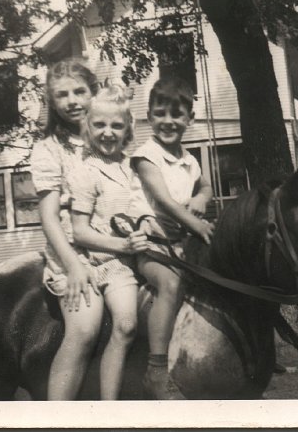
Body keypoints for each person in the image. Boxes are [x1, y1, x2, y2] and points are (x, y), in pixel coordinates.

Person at [129, 77, 214, 399]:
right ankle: (156, 368)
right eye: (160, 113)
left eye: (177, 115)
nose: (168, 121)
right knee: (170, 285)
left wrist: (202, 199)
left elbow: (204, 186)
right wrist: (196, 223)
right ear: (149, 117)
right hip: (150, 245)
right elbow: (163, 200)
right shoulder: (146, 156)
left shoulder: (190, 159)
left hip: (179, 246)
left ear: (189, 119)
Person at [67, 86, 148, 400]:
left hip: (143, 256)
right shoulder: (86, 172)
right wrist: (123, 247)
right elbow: (80, 232)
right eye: (99, 125)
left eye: (116, 125)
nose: (108, 132)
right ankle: (109, 405)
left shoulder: (134, 167)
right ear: (88, 126)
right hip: (110, 264)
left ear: (128, 127)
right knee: (126, 323)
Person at [30, 59, 103, 400]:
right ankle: (58, 412)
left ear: (94, 93)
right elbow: (48, 216)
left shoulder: (110, 138)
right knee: (86, 327)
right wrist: (73, 263)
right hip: (73, 251)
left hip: (113, 243)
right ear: (53, 102)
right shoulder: (49, 150)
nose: (73, 100)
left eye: (80, 91)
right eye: (63, 95)